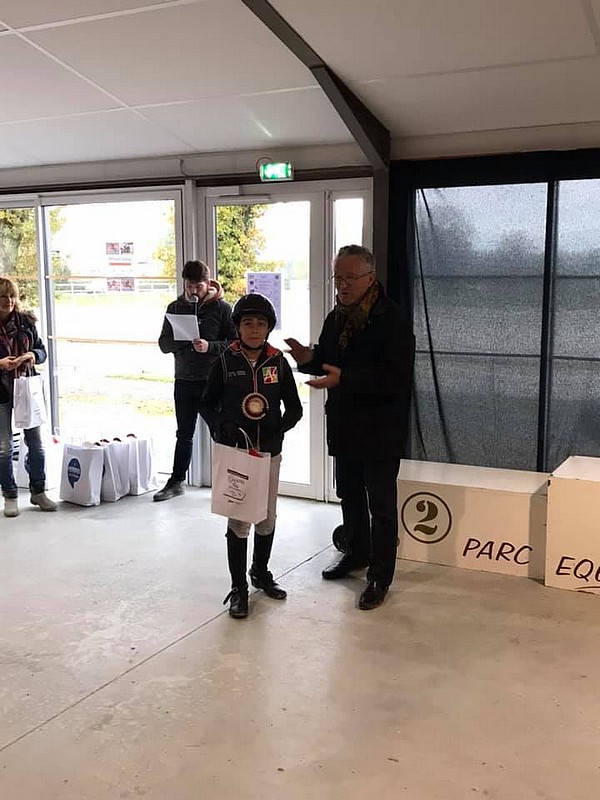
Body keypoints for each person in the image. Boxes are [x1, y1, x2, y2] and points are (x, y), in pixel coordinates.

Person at [285, 245, 415, 610]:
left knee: (382, 506)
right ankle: (356, 553)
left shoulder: (392, 319)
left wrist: (347, 378)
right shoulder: (336, 318)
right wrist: (309, 359)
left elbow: (396, 378)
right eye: (337, 277)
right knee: (349, 495)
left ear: (370, 278)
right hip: (345, 425)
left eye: (349, 278)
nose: (341, 285)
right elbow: (329, 360)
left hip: (380, 429)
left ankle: (380, 575)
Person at [199, 293, 303, 619]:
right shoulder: (226, 361)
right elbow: (205, 403)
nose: (254, 330)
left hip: (269, 454)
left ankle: (260, 572)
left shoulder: (278, 362)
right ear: (238, 327)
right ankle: (238, 588)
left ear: (269, 327)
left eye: (260, 324)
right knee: (240, 518)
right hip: (237, 454)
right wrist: (221, 427)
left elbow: (295, 409)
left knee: (267, 516)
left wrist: (278, 431)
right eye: (247, 323)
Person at [155, 260, 236, 502]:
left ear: (208, 283)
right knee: (184, 433)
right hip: (184, 379)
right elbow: (163, 344)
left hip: (212, 381)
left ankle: (230, 483)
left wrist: (209, 346)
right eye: (189, 286)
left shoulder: (222, 309)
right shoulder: (174, 308)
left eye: (198, 287)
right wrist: (184, 339)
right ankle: (176, 481)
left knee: (221, 432)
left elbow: (234, 343)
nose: (193, 291)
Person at [0, 276, 57, 518]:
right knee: (3, 448)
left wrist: (31, 355)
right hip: (1, 391)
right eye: (3, 297)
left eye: (12, 296)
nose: (9, 301)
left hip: (26, 388)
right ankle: (10, 495)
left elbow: (42, 350)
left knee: (36, 443)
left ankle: (38, 491)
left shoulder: (26, 321)